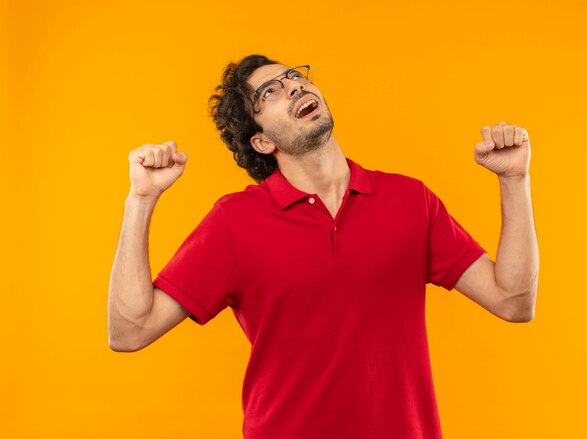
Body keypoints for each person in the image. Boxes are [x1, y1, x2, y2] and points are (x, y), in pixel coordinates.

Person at [107, 54, 539, 439]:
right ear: (262, 142)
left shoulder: (411, 200)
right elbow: (130, 330)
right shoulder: (234, 222)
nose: (294, 85)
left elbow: (513, 301)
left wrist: (514, 180)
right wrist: (141, 199)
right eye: (270, 92)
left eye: (295, 76)